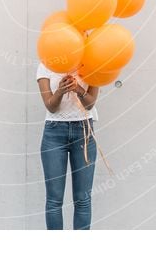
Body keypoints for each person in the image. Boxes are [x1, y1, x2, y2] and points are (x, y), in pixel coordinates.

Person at [36, 61, 100, 230]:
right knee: (54, 200)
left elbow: (90, 103)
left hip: (84, 131)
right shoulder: (46, 64)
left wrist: (78, 89)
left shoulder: (93, 60)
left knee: (83, 199)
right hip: (54, 133)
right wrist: (60, 91)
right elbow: (51, 106)